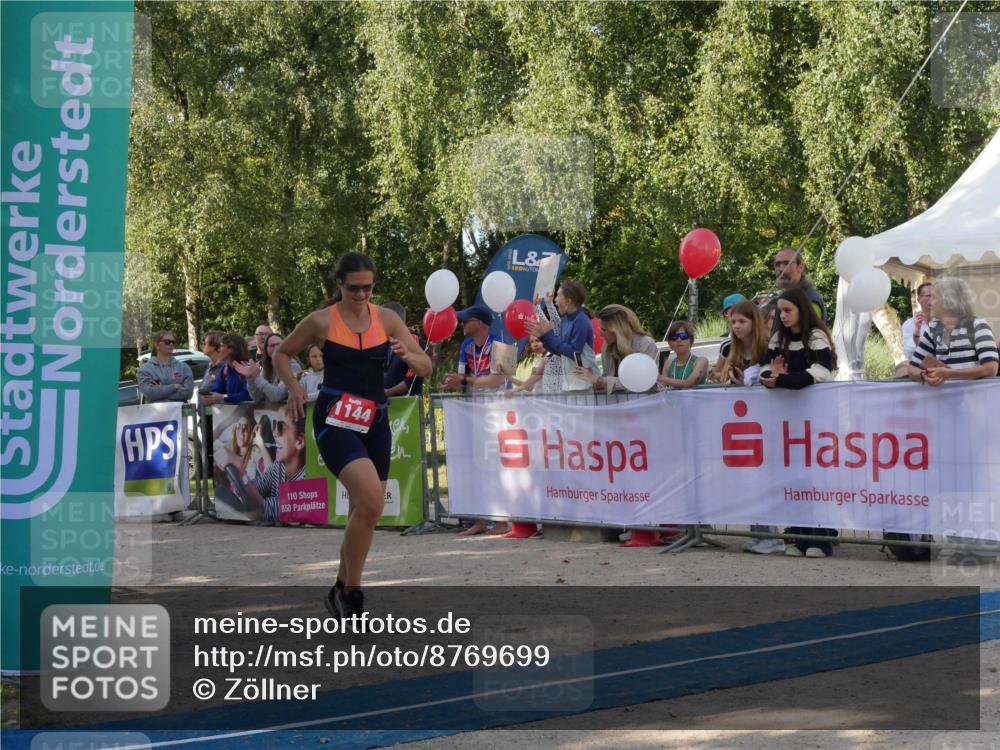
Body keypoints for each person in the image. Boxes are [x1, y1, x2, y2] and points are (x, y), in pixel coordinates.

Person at [274, 251, 431, 619]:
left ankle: (339, 588)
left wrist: (408, 357)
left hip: (375, 420)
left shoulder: (387, 319)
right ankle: (353, 593)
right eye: (354, 288)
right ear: (340, 285)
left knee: (366, 508)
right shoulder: (321, 321)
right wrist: (294, 387)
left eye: (368, 288)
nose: (361, 294)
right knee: (373, 502)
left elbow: (425, 365)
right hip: (335, 419)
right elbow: (282, 353)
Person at [759, 288, 838, 558]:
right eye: (780, 311)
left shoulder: (815, 336)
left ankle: (821, 540)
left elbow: (821, 372)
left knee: (816, 478)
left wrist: (782, 379)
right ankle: (800, 537)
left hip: (815, 417)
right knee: (793, 478)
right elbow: (765, 370)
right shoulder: (778, 339)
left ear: (801, 310)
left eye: (788, 310)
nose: (783, 316)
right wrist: (774, 377)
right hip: (787, 420)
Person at [907, 277, 998, 385]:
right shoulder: (933, 329)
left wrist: (950, 373)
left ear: (949, 300)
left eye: (934, 297)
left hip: (975, 396)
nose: (930, 302)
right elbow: (912, 368)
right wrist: (924, 375)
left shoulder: (977, 325)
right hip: (944, 396)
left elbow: (991, 369)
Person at [528, 280, 597, 389]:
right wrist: (543, 337)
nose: (555, 300)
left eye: (558, 296)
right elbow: (561, 351)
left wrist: (548, 335)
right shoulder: (565, 320)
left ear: (568, 301)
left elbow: (574, 353)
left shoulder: (581, 320)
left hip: (583, 386)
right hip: (570, 385)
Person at [576, 305, 658, 391]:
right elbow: (607, 379)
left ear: (617, 330)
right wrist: (592, 378)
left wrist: (601, 381)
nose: (600, 334)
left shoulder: (645, 344)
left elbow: (638, 381)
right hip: (617, 399)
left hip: (642, 399)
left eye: (604, 330)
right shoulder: (607, 346)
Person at [442, 306, 506, 392]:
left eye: (465, 321)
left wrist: (463, 380)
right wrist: (454, 382)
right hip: (473, 400)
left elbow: (497, 381)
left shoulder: (502, 344)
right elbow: (463, 381)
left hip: (496, 400)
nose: (462, 324)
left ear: (479, 324)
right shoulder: (466, 345)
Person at [239, 333, 302, 403]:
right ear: (266, 350)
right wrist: (250, 378)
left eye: (279, 344)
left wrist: (257, 377)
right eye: (271, 346)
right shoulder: (266, 367)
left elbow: (277, 396)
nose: (276, 348)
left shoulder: (293, 366)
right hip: (269, 409)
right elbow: (258, 398)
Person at [136, 331, 194, 403]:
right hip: (156, 410)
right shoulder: (145, 369)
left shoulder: (184, 367)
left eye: (173, 342)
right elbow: (150, 394)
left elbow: (188, 393)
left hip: (180, 410)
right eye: (167, 342)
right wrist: (174, 387)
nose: (171, 344)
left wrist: (160, 392)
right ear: (157, 345)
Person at [382, 302, 425, 397]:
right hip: (387, 402)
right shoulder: (387, 342)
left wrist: (388, 392)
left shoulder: (412, 340)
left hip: (407, 403)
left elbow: (414, 379)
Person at [772, 247, 826, 321]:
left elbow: (811, 327)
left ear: (800, 267)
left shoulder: (810, 299)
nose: (781, 269)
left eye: (786, 263)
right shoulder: (782, 296)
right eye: (777, 264)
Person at [203, 333, 254, 405]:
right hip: (230, 411)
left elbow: (248, 395)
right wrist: (211, 397)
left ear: (231, 349)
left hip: (247, 411)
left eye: (222, 346)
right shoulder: (225, 369)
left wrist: (224, 397)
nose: (219, 349)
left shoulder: (247, 367)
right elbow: (217, 389)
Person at [657, 320, 708, 389]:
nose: (679, 340)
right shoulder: (668, 363)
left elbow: (688, 384)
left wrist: (660, 378)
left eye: (683, 336)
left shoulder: (701, 361)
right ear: (669, 343)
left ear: (691, 340)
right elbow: (662, 386)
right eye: (674, 337)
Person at [711, 293, 747, 381]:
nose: (737, 325)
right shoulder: (727, 344)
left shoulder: (765, 342)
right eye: (727, 314)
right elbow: (721, 375)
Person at [901, 282, 934, 361]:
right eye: (929, 295)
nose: (933, 299)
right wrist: (917, 331)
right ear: (919, 299)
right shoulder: (909, 324)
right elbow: (909, 351)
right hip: (919, 366)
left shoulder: (946, 321)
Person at [198, 329, 226, 395]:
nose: (203, 346)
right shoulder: (209, 367)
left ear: (217, 346)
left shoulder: (226, 368)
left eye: (205, 343)